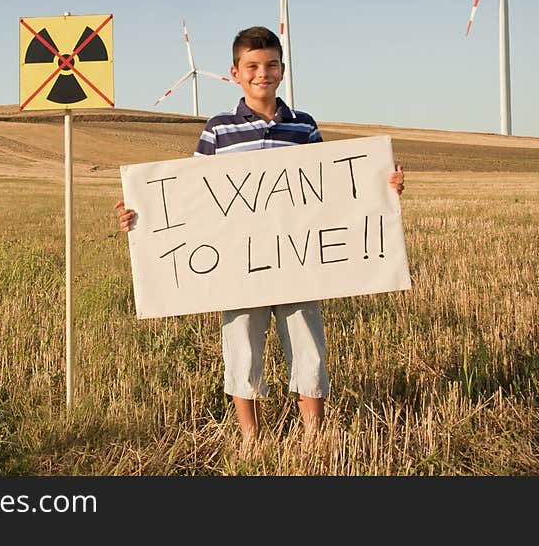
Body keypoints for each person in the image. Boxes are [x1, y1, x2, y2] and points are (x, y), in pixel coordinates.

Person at [116, 26, 404, 439]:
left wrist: (385, 188)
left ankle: (314, 435)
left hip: (300, 262)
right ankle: (250, 437)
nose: (261, 74)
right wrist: (140, 214)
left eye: (270, 65)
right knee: (242, 352)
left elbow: (338, 190)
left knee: (309, 350)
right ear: (235, 72)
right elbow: (190, 195)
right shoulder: (218, 130)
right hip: (237, 267)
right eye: (252, 66)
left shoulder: (303, 127)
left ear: (282, 70)